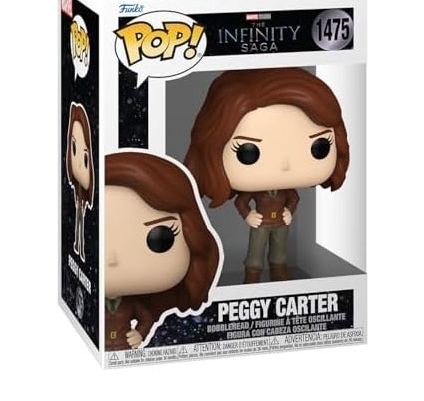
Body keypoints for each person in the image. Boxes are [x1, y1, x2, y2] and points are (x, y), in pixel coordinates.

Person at [185, 68, 349, 283]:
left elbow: (294, 199)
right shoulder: (255, 190)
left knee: (279, 251)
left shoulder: (286, 190)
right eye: (248, 152)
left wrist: (289, 211)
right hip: (261, 223)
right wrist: (248, 216)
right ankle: (252, 275)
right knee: (255, 252)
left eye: (319, 147)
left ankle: (279, 272)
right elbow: (241, 202)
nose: (285, 165)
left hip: (280, 222)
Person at [105, 151, 219, 351]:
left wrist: (140, 334)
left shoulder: (135, 304)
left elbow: (146, 320)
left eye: (160, 239)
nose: (112, 258)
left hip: (125, 346)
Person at [66, 102, 95, 263]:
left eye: (84, 158)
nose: (77, 164)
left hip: (82, 196)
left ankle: (80, 246)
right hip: (79, 194)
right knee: (79, 218)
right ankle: (78, 244)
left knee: (81, 218)